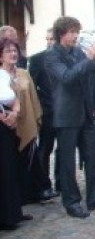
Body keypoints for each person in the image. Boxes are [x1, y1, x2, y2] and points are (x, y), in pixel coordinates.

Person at [45, 16, 95, 218]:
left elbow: (89, 74)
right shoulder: (52, 56)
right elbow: (67, 77)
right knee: (67, 162)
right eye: (72, 32)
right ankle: (72, 202)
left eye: (77, 31)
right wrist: (89, 60)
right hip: (66, 114)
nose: (76, 35)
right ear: (61, 34)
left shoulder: (77, 51)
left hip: (86, 111)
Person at [1, 36, 48, 205]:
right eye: (8, 51)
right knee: (8, 165)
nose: (13, 54)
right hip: (6, 125)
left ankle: (24, 197)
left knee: (25, 162)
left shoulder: (24, 73)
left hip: (25, 121)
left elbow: (33, 98)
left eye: (15, 51)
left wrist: (36, 119)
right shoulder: (1, 75)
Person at [28, 28, 60, 199]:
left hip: (65, 111)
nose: (49, 42)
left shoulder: (66, 57)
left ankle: (61, 182)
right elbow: (32, 88)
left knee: (63, 150)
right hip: (47, 112)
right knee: (45, 148)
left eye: (51, 39)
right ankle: (44, 185)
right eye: (47, 39)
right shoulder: (37, 59)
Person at [0, 59, 30, 230]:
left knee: (9, 169)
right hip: (3, 119)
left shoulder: (4, 75)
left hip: (8, 123)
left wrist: (15, 112)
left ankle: (11, 214)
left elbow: (14, 96)